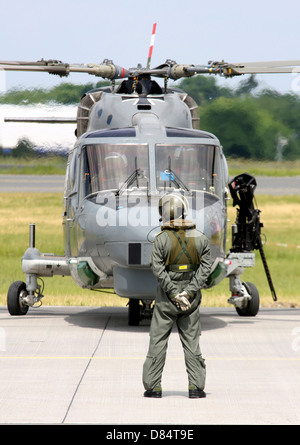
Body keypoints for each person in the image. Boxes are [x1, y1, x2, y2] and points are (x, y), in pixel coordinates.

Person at [142, 193, 211, 398]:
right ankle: (196, 388)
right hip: (191, 299)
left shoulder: (161, 240)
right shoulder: (200, 239)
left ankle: (153, 388)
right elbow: (205, 269)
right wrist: (188, 293)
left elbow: (157, 269)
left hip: (166, 299)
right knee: (191, 342)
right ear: (184, 211)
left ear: (163, 213)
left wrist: (173, 293)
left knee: (158, 341)